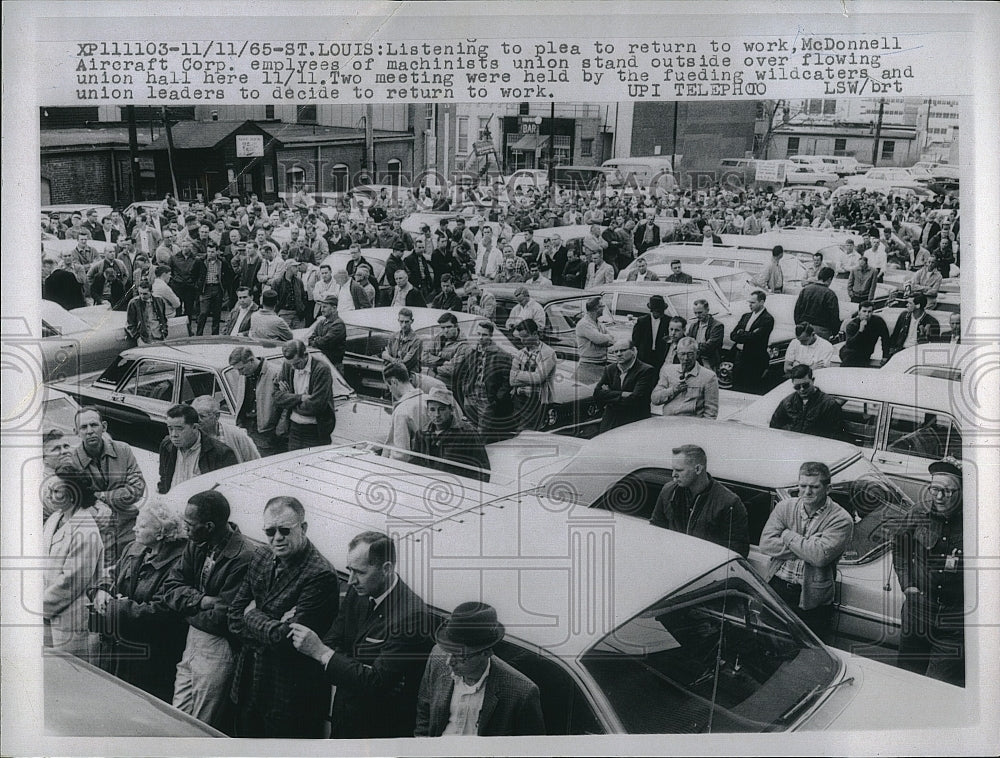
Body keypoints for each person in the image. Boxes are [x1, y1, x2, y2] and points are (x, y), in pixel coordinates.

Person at [288, 532, 433, 739]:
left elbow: (376, 682)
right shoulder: (360, 590)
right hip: (344, 716)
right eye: (349, 570)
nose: (351, 580)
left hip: (377, 730)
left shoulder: (412, 615)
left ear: (387, 569)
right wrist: (360, 670)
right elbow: (333, 639)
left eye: (360, 572)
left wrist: (323, 653)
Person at [228, 496, 340, 737]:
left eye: (285, 530)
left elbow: (288, 641)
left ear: (304, 528)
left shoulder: (320, 574)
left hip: (289, 698)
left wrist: (253, 613)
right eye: (270, 531)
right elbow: (233, 616)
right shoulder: (260, 557)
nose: (277, 538)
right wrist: (272, 625)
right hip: (249, 685)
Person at [163, 490, 257, 733]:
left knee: (201, 724)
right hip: (194, 639)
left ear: (209, 526)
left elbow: (223, 617)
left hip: (219, 646)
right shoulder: (197, 543)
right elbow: (170, 586)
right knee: (176, 713)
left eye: (189, 524)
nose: (185, 529)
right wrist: (202, 600)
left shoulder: (243, 556)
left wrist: (184, 608)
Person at [88, 501, 188, 702]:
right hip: (117, 649)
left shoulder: (179, 563)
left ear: (161, 533)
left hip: (148, 660)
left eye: (142, 526)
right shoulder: (135, 547)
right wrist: (101, 590)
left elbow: (163, 611)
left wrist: (116, 607)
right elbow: (111, 573)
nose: (134, 528)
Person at [415, 601, 545, 737]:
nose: (449, 662)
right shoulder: (437, 656)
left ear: (486, 653)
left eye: (461, 656)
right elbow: (425, 711)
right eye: (448, 652)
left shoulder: (522, 693)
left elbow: (530, 748)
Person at [759, 461, 853, 639]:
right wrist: (808, 546)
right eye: (802, 486)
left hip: (812, 597)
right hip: (777, 586)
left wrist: (787, 535)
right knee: (768, 640)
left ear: (828, 488)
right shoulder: (785, 507)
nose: (807, 492)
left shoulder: (841, 519)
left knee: (806, 649)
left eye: (814, 487)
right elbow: (766, 544)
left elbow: (819, 557)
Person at [892, 458, 965, 687]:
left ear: (961, 491)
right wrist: (907, 585)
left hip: (955, 622)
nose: (939, 497)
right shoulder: (918, 512)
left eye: (947, 491)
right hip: (917, 614)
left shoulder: (978, 521)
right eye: (935, 489)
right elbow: (900, 548)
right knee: (906, 679)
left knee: (939, 687)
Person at [42, 463, 109, 662]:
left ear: (73, 495)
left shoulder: (86, 530)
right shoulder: (55, 518)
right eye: (50, 490)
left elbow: (71, 581)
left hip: (70, 616)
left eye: (56, 491)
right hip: (47, 611)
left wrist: (39, 606)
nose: (50, 496)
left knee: (70, 675)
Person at [70, 407, 145, 566]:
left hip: (129, 526)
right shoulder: (72, 460)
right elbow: (78, 499)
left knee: (132, 568)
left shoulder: (123, 450)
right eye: (84, 427)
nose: (90, 431)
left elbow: (137, 489)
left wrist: (100, 496)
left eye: (94, 425)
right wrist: (117, 495)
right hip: (97, 530)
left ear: (104, 426)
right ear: (76, 432)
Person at [649, 445, 749, 557]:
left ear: (698, 469)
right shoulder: (668, 491)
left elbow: (737, 552)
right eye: (673, 469)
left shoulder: (729, 503)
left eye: (679, 470)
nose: (673, 475)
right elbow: (655, 531)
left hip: (706, 569)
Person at [451, 319, 514, 443]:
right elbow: (465, 372)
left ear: (490, 336)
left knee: (482, 430)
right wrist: (465, 389)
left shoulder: (501, 355)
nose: (480, 338)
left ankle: (479, 452)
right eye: (478, 334)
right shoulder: (473, 352)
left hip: (487, 397)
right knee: (469, 425)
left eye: (484, 335)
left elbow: (507, 381)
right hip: (471, 393)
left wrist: (496, 398)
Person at [412, 387, 491, 482]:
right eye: (432, 410)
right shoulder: (421, 433)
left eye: (441, 409)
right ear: (428, 411)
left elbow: (482, 468)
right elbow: (415, 463)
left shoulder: (467, 433)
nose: (437, 414)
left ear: (451, 410)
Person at [157, 404, 238, 494]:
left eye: (179, 429)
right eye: (170, 429)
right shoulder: (167, 446)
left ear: (195, 427)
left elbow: (226, 492)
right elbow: (164, 481)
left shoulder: (221, 453)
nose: (174, 435)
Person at [273, 339, 337, 451]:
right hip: (294, 429)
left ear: (305, 355)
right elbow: (277, 397)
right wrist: (300, 398)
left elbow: (315, 406)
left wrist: (289, 400)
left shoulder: (322, 369)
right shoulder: (288, 366)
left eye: (297, 363)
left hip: (316, 431)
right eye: (291, 364)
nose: (294, 368)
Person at [593, 338, 656, 433]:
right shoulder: (610, 369)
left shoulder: (646, 370)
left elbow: (636, 398)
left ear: (633, 351)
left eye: (623, 350)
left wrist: (609, 394)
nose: (618, 354)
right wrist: (623, 394)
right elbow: (597, 394)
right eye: (616, 351)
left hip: (634, 421)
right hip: (611, 421)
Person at [768, 365, 844, 440]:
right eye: (797, 387)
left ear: (813, 380)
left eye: (805, 385)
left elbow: (834, 434)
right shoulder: (787, 402)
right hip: (790, 445)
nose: (802, 389)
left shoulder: (829, 404)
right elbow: (774, 427)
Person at [650, 337, 719, 419]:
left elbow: (711, 413)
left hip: (691, 426)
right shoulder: (667, 371)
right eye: (682, 354)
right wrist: (673, 390)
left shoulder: (709, 377)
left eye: (690, 354)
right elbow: (655, 399)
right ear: (676, 353)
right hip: (668, 422)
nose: (686, 358)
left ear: (697, 354)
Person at [228, 347, 281, 452]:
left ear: (251, 360)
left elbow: (284, 405)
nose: (240, 373)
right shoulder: (244, 374)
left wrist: (280, 427)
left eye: (241, 369)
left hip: (267, 432)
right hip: (247, 428)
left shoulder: (275, 373)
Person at [509, 318, 557, 432]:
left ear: (535, 334)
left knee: (526, 432)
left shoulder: (548, 353)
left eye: (525, 337)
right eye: (520, 337)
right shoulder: (520, 353)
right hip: (519, 399)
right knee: (517, 431)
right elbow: (511, 380)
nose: (522, 341)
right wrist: (530, 376)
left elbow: (539, 378)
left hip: (537, 401)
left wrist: (518, 375)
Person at [380, 361, 428, 462]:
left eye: (388, 387)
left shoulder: (402, 411)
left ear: (394, 382)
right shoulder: (429, 400)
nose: (390, 391)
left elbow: (400, 455)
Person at [728, 289, 775, 392]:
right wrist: (745, 334)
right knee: (735, 386)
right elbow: (733, 335)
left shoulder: (767, 319)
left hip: (754, 359)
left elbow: (755, 338)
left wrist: (741, 333)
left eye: (753, 302)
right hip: (739, 356)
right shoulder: (746, 316)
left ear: (762, 302)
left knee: (750, 387)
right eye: (749, 302)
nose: (750, 305)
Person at [191, 395, 260, 464]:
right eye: (195, 416)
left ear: (217, 416)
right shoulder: (190, 438)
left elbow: (256, 463)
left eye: (202, 416)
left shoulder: (237, 435)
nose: (197, 420)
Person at [193, 241, 232, 336]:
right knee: (203, 312)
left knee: (216, 313)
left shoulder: (222, 262)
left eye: (213, 251)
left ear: (217, 252)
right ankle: (199, 334)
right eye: (209, 251)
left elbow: (228, 275)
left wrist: (224, 286)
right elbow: (193, 274)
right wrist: (198, 285)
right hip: (205, 289)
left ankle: (215, 335)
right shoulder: (200, 261)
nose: (210, 254)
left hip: (217, 288)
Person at [793, 266, 841, 340]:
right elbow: (834, 316)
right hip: (822, 331)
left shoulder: (805, 290)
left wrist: (799, 326)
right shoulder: (830, 294)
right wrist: (835, 332)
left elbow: (797, 311)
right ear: (829, 279)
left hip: (804, 329)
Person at [839, 301, 891, 368]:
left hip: (865, 353)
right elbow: (850, 344)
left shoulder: (878, 322)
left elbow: (885, 338)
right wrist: (860, 330)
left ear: (872, 312)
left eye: (869, 312)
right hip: (849, 352)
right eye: (864, 311)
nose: (867, 314)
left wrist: (885, 356)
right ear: (859, 312)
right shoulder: (852, 324)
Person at [575, 296, 615, 383]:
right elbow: (599, 340)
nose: (604, 308)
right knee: (588, 392)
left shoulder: (599, 323)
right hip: (588, 366)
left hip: (600, 363)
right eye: (602, 306)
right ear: (596, 308)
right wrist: (607, 338)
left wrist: (607, 338)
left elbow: (610, 338)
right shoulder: (584, 324)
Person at [308, 292, 347, 374]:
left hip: (334, 367)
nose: (322, 310)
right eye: (321, 307)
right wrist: (317, 340)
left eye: (325, 307)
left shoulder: (338, 324)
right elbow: (310, 339)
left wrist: (317, 340)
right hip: (322, 364)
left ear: (334, 308)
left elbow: (325, 342)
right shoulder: (321, 322)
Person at [631, 294, 670, 371]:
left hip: (661, 356)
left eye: (661, 312)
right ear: (652, 310)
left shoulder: (668, 321)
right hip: (644, 356)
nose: (659, 314)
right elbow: (635, 340)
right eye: (657, 312)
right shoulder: (642, 321)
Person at [124, 280, 169, 346]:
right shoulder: (134, 303)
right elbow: (130, 324)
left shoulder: (159, 301)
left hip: (159, 336)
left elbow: (163, 318)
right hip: (144, 339)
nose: (142, 296)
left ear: (151, 292)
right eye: (140, 293)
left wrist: (164, 332)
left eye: (145, 294)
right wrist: (138, 337)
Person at [686, 298, 725, 373]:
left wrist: (693, 347)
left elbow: (710, 345)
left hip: (708, 361)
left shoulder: (717, 326)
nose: (697, 315)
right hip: (695, 360)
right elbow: (688, 341)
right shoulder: (693, 326)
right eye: (695, 313)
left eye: (700, 312)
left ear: (707, 310)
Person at [382, 307, 423, 375]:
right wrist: (392, 359)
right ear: (398, 320)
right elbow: (384, 355)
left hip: (409, 375)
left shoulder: (417, 340)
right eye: (401, 321)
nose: (403, 325)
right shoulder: (393, 337)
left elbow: (406, 363)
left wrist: (389, 359)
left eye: (406, 322)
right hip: (393, 374)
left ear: (412, 321)